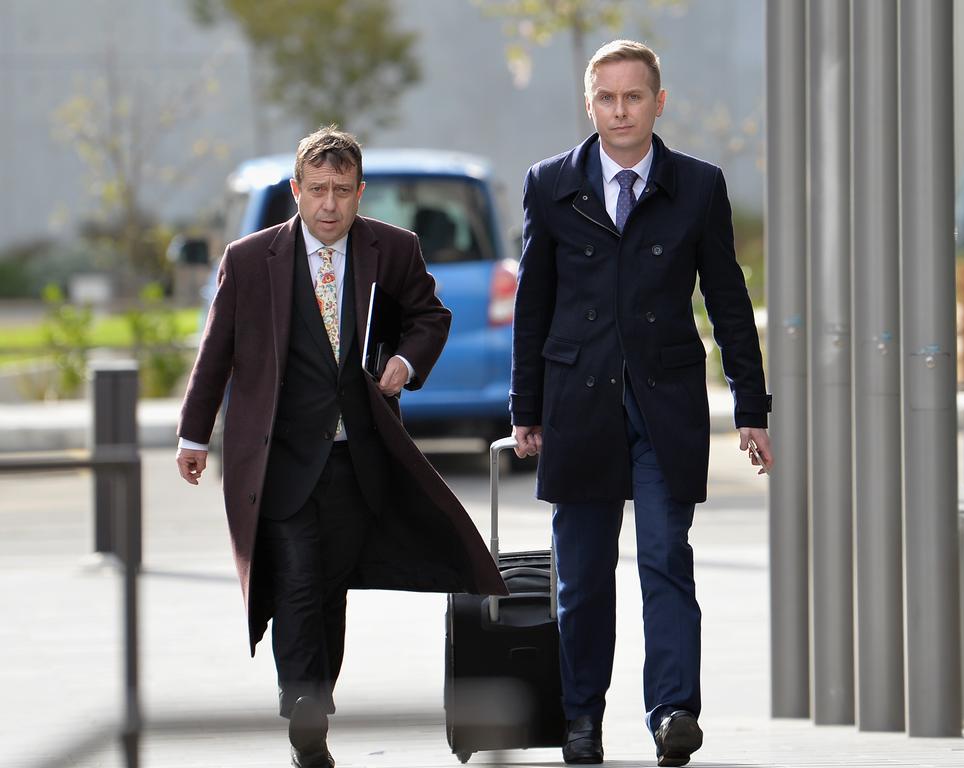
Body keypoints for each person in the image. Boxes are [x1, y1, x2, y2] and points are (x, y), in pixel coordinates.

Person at [175, 126, 505, 768]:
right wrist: (194, 433)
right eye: (318, 191)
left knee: (330, 586)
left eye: (343, 192)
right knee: (295, 578)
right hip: (279, 456)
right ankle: (304, 710)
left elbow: (431, 317)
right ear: (297, 191)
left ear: (360, 193)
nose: (330, 205)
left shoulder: (394, 248)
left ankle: (314, 698)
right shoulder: (249, 260)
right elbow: (215, 353)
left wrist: (406, 363)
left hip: (359, 454)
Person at [510, 40, 773, 767]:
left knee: (665, 558)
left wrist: (751, 407)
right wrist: (524, 408)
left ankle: (673, 713)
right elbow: (532, 305)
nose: (620, 111)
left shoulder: (698, 186)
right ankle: (580, 718)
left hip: (666, 406)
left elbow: (727, 301)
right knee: (583, 573)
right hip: (576, 403)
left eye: (634, 97)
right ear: (588, 104)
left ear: (659, 103)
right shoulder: (549, 185)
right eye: (607, 98)